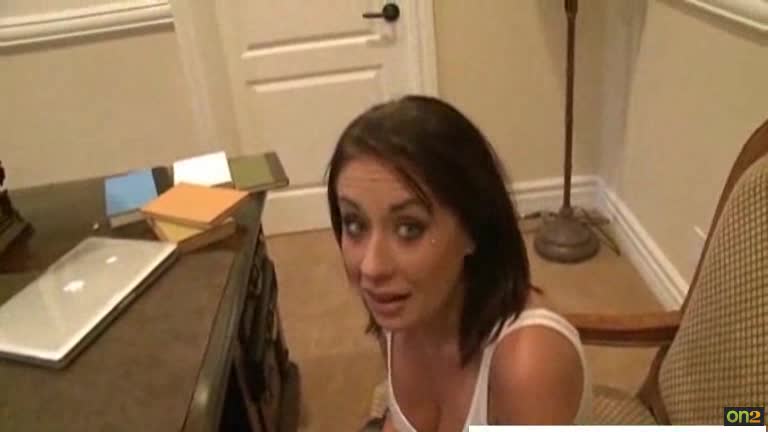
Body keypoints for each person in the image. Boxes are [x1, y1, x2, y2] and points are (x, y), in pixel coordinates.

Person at [326, 95, 592, 430]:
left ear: (473, 228)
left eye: (409, 228)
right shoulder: (401, 308)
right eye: (355, 224)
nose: (371, 267)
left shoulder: (528, 368)